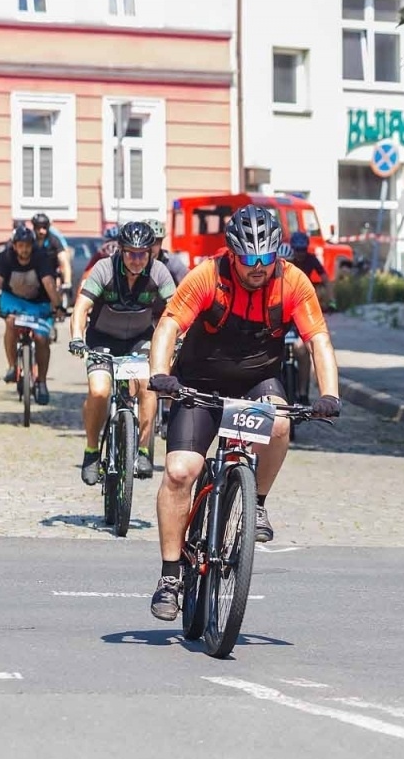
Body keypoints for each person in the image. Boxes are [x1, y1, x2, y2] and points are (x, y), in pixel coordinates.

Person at [143, 205, 343, 621]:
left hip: (257, 383)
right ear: (232, 253)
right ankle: (169, 576)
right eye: (250, 259)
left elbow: (318, 340)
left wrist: (330, 394)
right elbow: (168, 326)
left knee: (282, 421)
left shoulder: (292, 282)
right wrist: (161, 374)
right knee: (180, 471)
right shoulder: (207, 276)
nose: (258, 267)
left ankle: (258, 502)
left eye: (267, 259)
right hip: (198, 383)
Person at [68, 221, 177, 484]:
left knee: (147, 384)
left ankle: (142, 450)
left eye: (143, 254)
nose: (137, 259)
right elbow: (81, 308)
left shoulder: (159, 272)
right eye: (131, 253)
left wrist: (180, 339)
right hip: (101, 339)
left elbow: (176, 310)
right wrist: (76, 338)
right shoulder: (104, 269)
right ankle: (92, 451)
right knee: (99, 391)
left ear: (151, 252)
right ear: (120, 250)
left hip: (138, 340)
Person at [0, 224, 60, 405]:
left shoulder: (41, 257)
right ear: (14, 246)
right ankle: (12, 366)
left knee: (42, 339)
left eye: (27, 245)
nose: (24, 249)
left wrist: (57, 306)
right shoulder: (5, 258)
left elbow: (49, 283)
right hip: (13, 300)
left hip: (38, 303)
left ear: (32, 245)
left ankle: (41, 382)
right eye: (20, 245)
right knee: (10, 323)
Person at [283, 232, 331, 399]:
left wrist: (331, 301)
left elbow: (326, 279)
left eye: (303, 250)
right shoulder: (285, 265)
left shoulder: (310, 262)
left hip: (301, 307)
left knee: (302, 349)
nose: (300, 254)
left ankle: (303, 392)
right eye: (297, 250)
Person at [30, 212, 73, 309]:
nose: (42, 231)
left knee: (54, 283)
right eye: (38, 228)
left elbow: (63, 260)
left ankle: (57, 307)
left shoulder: (54, 240)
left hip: (51, 272)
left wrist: (67, 282)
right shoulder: (30, 240)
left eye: (44, 227)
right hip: (33, 273)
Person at [146, 217, 189, 285]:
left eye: (156, 242)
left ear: (161, 242)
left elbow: (189, 284)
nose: (151, 247)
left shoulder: (172, 261)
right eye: (147, 242)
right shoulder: (132, 261)